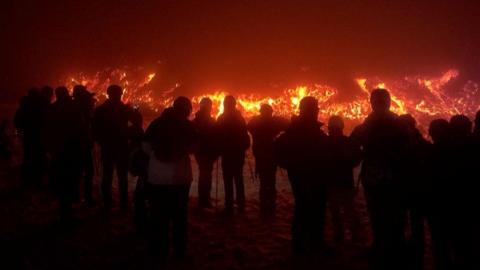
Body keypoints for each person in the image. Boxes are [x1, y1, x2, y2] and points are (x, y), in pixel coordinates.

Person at [350, 88, 406, 270]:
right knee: (391, 216)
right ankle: (392, 249)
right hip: (392, 178)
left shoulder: (367, 126)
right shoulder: (399, 124)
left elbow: (352, 150)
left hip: (379, 178)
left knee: (380, 216)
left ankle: (383, 248)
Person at [143, 97, 198, 264]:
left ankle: (159, 252)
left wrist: (156, 158)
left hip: (157, 178)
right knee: (179, 216)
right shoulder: (187, 126)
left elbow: (145, 146)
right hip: (180, 178)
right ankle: (179, 252)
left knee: (158, 215)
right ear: (187, 109)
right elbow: (195, 148)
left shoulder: (157, 123)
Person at [274, 96, 329, 256]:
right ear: (309, 110)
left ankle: (303, 245)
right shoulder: (300, 131)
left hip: (306, 175)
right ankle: (310, 245)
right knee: (311, 209)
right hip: (308, 175)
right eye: (315, 109)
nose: (317, 111)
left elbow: (278, 149)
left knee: (305, 208)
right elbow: (279, 149)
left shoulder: (295, 130)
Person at [44, 87, 83, 221]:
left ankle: (64, 206)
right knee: (70, 178)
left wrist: (50, 147)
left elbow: (46, 129)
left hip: (59, 150)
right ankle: (67, 209)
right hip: (71, 149)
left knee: (61, 177)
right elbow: (80, 127)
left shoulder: (52, 108)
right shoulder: (73, 107)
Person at [397, 114, 430, 269]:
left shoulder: (420, 146)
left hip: (415, 192)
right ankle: (410, 252)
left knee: (415, 224)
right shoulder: (405, 145)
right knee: (405, 223)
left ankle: (416, 254)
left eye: (404, 126)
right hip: (407, 191)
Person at [93, 85, 133, 211]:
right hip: (121, 147)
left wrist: (100, 141)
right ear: (119, 94)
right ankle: (123, 204)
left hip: (107, 147)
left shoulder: (100, 110)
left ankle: (107, 203)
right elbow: (133, 126)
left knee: (107, 175)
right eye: (119, 94)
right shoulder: (124, 109)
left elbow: (95, 129)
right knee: (122, 177)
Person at [325, 115, 362, 244]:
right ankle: (354, 235)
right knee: (348, 210)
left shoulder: (325, 143)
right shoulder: (347, 142)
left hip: (332, 183)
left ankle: (340, 235)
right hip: (345, 182)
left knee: (337, 211)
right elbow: (358, 157)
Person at [247, 104, 288, 217]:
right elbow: (288, 125)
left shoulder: (256, 123)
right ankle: (271, 208)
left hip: (261, 157)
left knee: (264, 183)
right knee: (271, 182)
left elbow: (248, 126)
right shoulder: (274, 122)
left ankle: (264, 208)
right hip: (271, 156)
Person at [448, 114, 477, 269]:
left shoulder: (446, 151)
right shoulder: (474, 146)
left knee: (459, 243)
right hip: (471, 204)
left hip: (455, 205)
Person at [426, 119, 455, 270]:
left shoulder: (429, 154)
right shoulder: (459, 153)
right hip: (455, 204)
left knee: (439, 243)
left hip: (436, 206)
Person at [216, 95, 250, 215]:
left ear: (225, 104)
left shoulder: (221, 118)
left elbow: (217, 136)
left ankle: (229, 206)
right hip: (238, 154)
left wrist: (218, 149)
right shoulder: (240, 119)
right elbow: (245, 138)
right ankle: (241, 205)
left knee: (228, 180)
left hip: (227, 154)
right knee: (238, 179)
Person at [14, 88, 48, 187]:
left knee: (28, 157)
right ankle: (38, 181)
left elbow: (17, 120)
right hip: (39, 135)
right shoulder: (41, 105)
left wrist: (22, 128)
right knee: (39, 157)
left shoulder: (24, 106)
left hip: (29, 135)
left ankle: (26, 181)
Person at [72, 85, 96, 205]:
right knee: (86, 171)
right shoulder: (81, 111)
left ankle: (77, 196)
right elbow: (84, 128)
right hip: (81, 145)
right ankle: (86, 197)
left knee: (77, 171)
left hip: (77, 145)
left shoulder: (73, 107)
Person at [193, 97, 218, 208]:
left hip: (202, 153)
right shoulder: (210, 121)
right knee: (206, 175)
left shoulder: (195, 121)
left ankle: (204, 197)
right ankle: (204, 199)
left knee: (204, 174)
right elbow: (215, 137)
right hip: (206, 152)